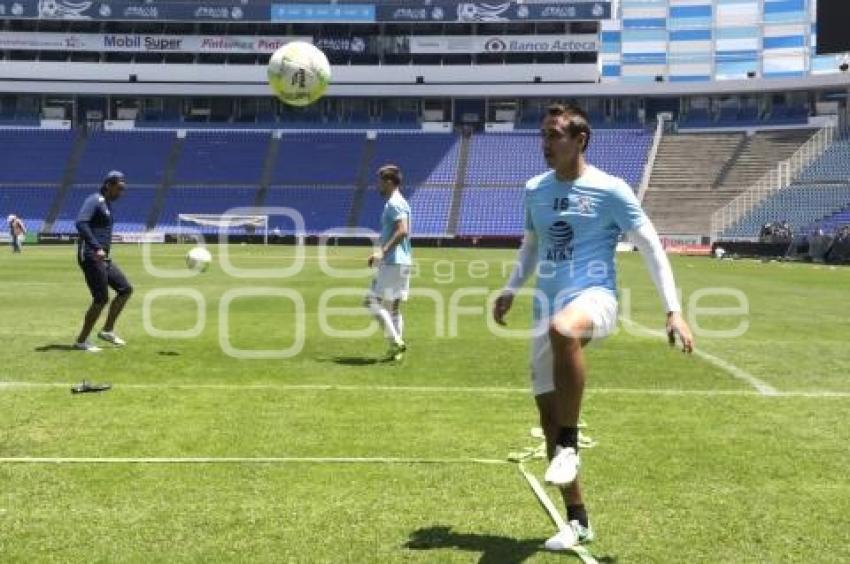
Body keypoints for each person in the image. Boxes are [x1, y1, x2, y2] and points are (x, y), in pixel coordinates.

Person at [492, 104, 694, 551]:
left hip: (595, 299)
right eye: (542, 136)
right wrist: (510, 287)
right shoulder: (535, 189)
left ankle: (570, 442)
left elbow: (650, 247)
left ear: (580, 140)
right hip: (545, 306)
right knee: (547, 415)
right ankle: (578, 519)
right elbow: (531, 246)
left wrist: (673, 309)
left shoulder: (610, 189)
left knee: (565, 333)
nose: (545, 144)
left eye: (554, 136)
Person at [73, 171, 133, 352]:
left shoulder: (106, 204)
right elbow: (81, 223)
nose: (120, 193)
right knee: (100, 298)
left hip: (102, 257)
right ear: (109, 185)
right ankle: (81, 341)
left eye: (123, 189)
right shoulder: (95, 200)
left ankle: (107, 330)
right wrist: (96, 247)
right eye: (119, 188)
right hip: (91, 255)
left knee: (125, 289)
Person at [364, 164, 412, 361]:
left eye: (380, 182)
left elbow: (402, 230)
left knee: (371, 301)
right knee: (393, 308)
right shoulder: (401, 202)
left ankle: (395, 342)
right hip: (403, 261)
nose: (378, 186)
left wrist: (382, 252)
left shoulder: (394, 203)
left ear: (389, 182)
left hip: (393, 261)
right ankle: (396, 352)